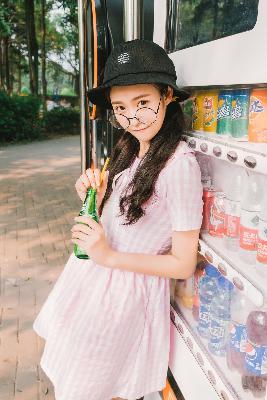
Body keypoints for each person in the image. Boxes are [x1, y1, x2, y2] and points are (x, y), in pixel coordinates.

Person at [33, 39, 203, 400]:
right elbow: (125, 218)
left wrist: (107, 255)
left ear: (167, 95)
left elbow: (183, 263)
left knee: (93, 388)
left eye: (143, 103)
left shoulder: (179, 166)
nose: (131, 118)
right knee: (78, 381)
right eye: (120, 108)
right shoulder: (132, 148)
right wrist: (93, 198)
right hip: (93, 283)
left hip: (122, 298)